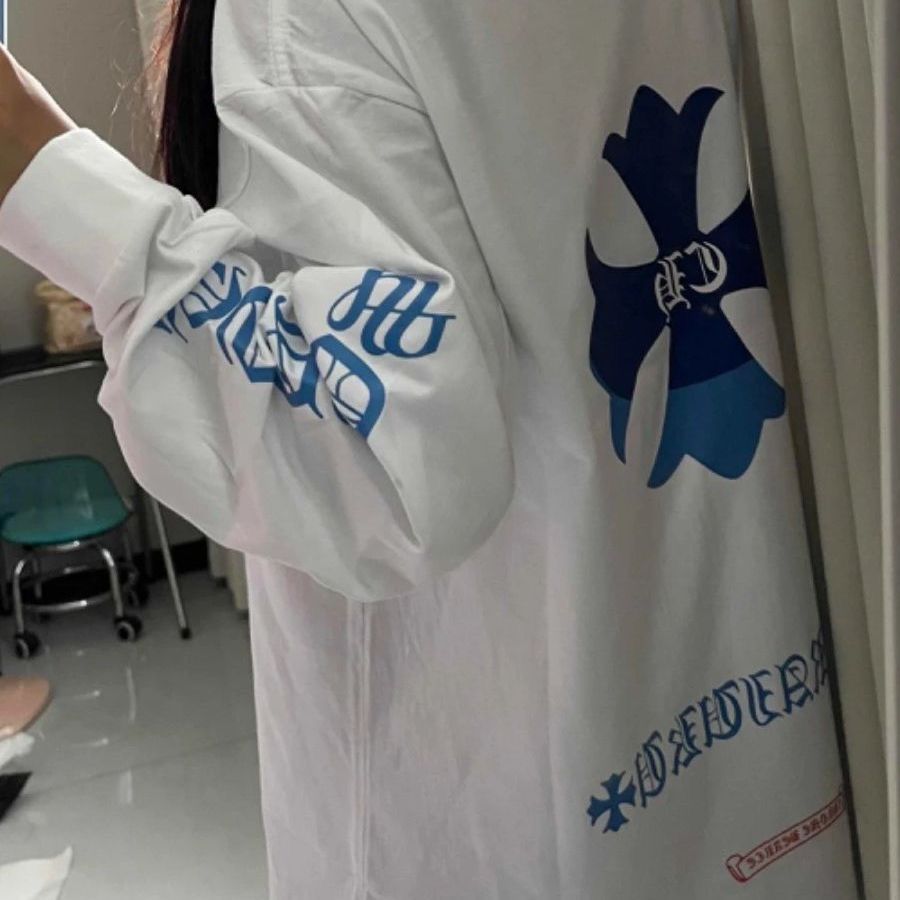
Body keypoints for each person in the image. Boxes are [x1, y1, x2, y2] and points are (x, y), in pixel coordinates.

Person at [0, 1, 858, 897]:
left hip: (509, 788)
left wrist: (45, 177)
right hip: (735, 715)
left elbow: (390, 475)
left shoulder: (305, 16)